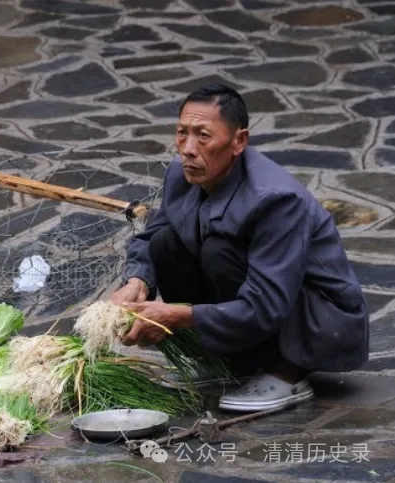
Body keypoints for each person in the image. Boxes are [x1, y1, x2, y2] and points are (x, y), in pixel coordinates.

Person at [110, 84, 369, 413]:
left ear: (239, 141)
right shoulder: (182, 172)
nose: (188, 148)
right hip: (253, 297)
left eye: (203, 136)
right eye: (181, 133)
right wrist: (138, 281)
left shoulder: (276, 200)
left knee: (220, 251)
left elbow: (266, 304)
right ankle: (226, 361)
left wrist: (178, 315)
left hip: (315, 315)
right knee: (167, 244)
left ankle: (286, 371)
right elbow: (155, 233)